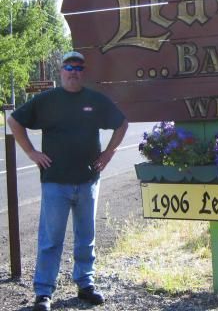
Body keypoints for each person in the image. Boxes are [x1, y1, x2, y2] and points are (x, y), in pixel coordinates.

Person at [7, 51, 128, 311]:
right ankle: (43, 293)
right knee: (51, 239)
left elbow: (121, 124)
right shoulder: (46, 100)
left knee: (86, 236)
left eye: (79, 67)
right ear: (60, 71)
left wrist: (108, 153)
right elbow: (14, 120)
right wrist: (31, 152)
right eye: (69, 66)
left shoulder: (95, 100)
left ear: (84, 73)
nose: (74, 71)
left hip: (87, 180)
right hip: (55, 182)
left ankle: (85, 284)